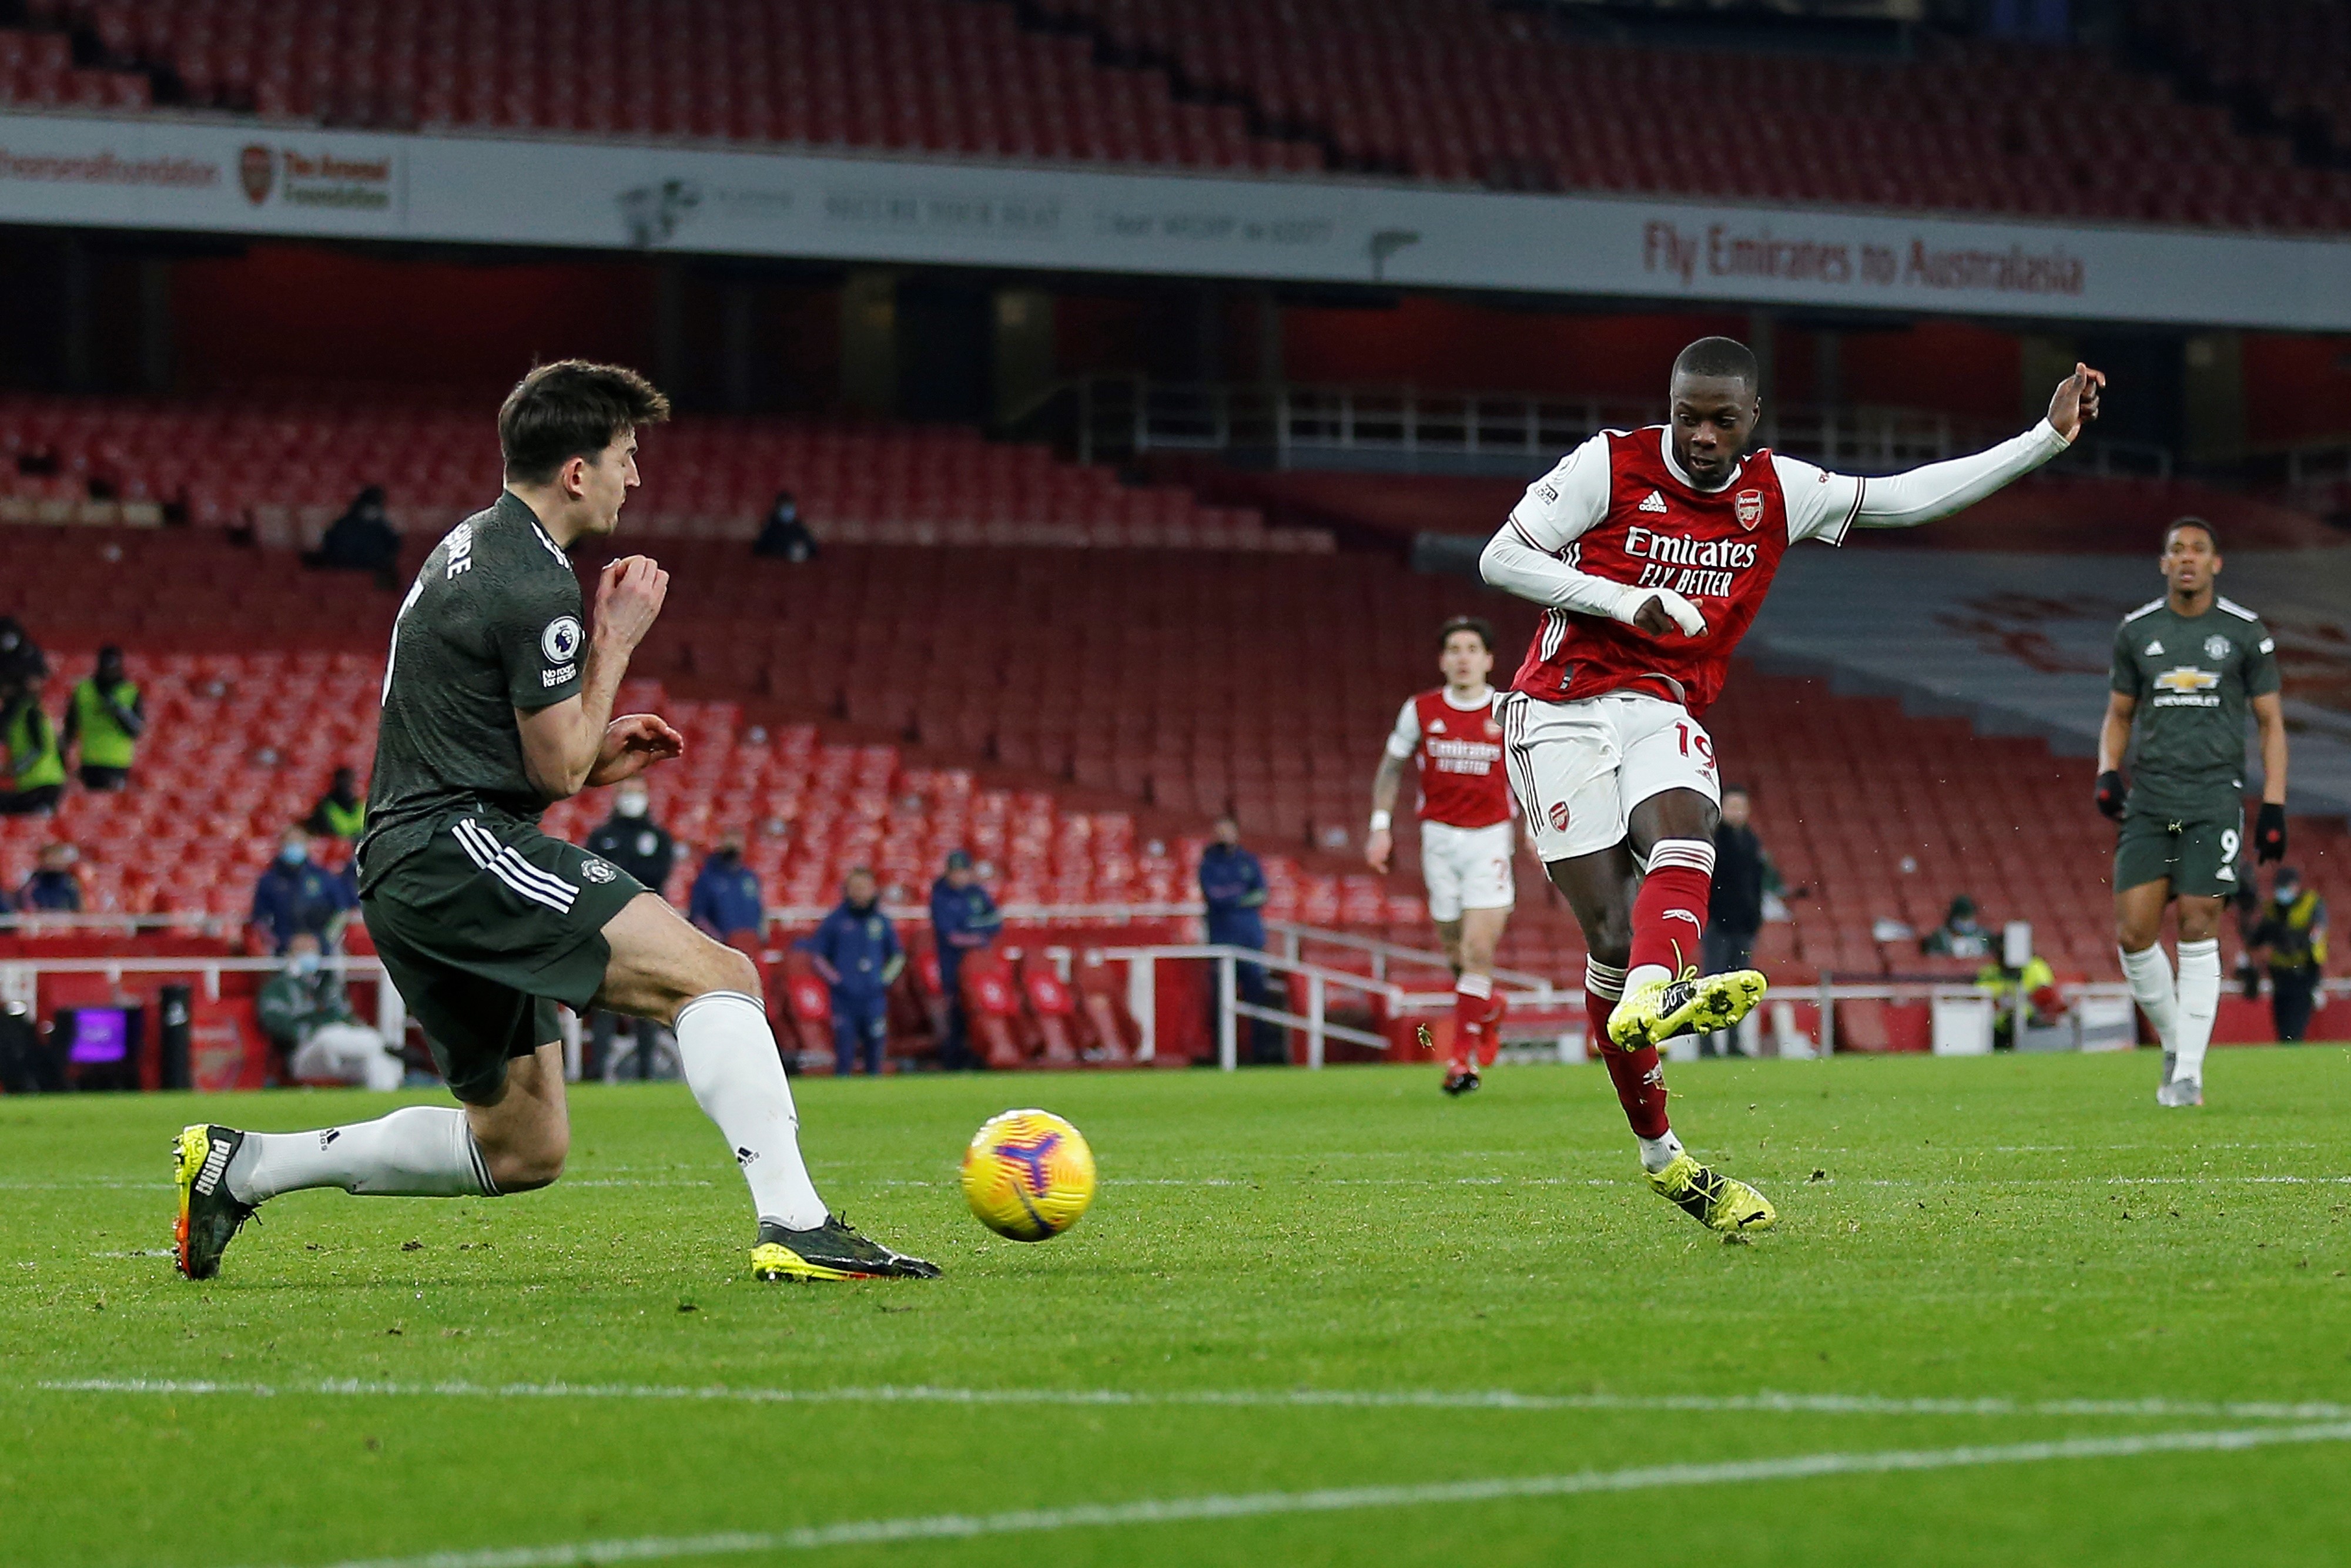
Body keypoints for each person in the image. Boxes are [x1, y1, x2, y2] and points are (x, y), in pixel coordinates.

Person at [170, 359, 935, 1285]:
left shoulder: (473, 546)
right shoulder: (534, 582)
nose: (636, 475)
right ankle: (796, 1221)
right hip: (453, 849)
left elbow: (527, 754)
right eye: (625, 454)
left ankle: (243, 1167)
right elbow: (558, 767)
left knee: (522, 1144)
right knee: (716, 974)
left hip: (418, 860)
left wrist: (589, 747)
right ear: (577, 472)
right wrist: (615, 639)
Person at [1479, 336, 2102, 1233]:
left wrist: (2043, 438)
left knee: (1689, 822)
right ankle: (1663, 1151)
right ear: (1671, 400)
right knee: (1611, 935)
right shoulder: (1607, 466)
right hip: (1559, 707)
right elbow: (1501, 559)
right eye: (1687, 414)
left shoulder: (1778, 491)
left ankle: (1660, 989)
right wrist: (1623, 601)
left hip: (1663, 701)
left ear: (1753, 417)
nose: (1700, 435)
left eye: (1721, 420)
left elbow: (1904, 499)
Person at [2097, 517, 2288, 1107]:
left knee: (2201, 922)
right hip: (2151, 796)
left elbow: (2269, 723)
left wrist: (2274, 802)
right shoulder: (2136, 632)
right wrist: (2107, 768)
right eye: (2176, 549)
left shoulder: (2243, 632)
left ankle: (2188, 1074)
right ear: (2163, 564)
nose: (2186, 558)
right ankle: (2178, 1043)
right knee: (2133, 933)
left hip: (2212, 797)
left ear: (2215, 563)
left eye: (2197, 550)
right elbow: (2120, 713)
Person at [1365, 615, 1515, 1095]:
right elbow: (1390, 769)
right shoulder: (1421, 708)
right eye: (1454, 649)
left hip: (1490, 838)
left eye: (1473, 648)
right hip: (1439, 839)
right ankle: (1487, 1008)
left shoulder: (1510, 709)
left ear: (1489, 659)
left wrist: (1537, 829)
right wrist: (1380, 827)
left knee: (1476, 951)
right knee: (1455, 953)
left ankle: (1460, 1060)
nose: (1463, 657)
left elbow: (1534, 773)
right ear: (1443, 660)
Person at [583, 780, 678, 1080]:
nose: (632, 800)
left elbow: (657, 875)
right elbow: (591, 875)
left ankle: (647, 1071)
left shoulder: (659, 837)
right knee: (605, 1000)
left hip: (648, 927)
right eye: (627, 793)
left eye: (637, 793)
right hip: (607, 926)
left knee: (647, 1000)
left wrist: (623, 868)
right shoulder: (602, 836)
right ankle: (598, 1070)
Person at [257, 932, 403, 1091]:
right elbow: (275, 1023)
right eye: (304, 951)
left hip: (343, 1050)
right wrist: (310, 1031)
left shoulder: (328, 985)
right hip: (304, 1052)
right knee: (328, 1038)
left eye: (313, 951)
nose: (310, 955)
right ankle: (386, 1046)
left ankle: (381, 1104)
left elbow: (347, 1016)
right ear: (291, 954)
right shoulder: (278, 987)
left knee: (379, 1063)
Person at [802, 866, 903, 1077]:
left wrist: (883, 980)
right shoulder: (835, 921)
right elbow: (818, 956)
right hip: (844, 998)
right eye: (856, 888)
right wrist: (837, 980)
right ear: (847, 891)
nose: (860, 893)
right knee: (845, 1048)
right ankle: (842, 1092)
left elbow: (897, 956)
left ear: (874, 890)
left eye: (865, 888)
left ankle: (875, 1094)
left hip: (873, 996)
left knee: (875, 1048)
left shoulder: (881, 921)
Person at [1702, 784, 1778, 1056]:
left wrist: (1755, 917)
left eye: (1741, 807)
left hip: (1744, 926)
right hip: (1717, 924)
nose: (1737, 812)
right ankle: (1707, 1046)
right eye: (1732, 806)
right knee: (1712, 986)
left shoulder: (1751, 841)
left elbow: (1757, 884)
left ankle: (1734, 1044)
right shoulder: (1713, 840)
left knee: (1738, 988)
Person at [1199, 813, 1281, 1065]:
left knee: (1257, 997)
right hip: (1223, 942)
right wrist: (1240, 896)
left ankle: (1260, 1055)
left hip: (1250, 940)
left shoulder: (1248, 861)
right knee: (1221, 1000)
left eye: (1228, 831)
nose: (1224, 836)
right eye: (1220, 831)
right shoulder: (1208, 864)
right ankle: (1222, 1054)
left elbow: (1262, 893)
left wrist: (1232, 898)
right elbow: (1214, 896)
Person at [929, 848, 1002, 1070]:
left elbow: (995, 922)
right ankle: (953, 1063)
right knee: (956, 1014)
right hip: (953, 966)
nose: (959, 877)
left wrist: (972, 929)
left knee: (979, 1013)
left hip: (978, 968)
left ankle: (980, 1057)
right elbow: (950, 935)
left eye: (962, 872)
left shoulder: (976, 893)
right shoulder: (940, 896)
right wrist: (977, 934)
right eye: (955, 872)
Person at [248, 827, 357, 955]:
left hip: (322, 951)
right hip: (283, 952)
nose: (294, 847)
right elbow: (260, 918)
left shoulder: (324, 878)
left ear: (307, 845)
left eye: (298, 842)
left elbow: (342, 911)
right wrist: (284, 942)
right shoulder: (269, 881)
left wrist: (322, 941)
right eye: (290, 843)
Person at [2249, 865, 2327, 1043]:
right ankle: (2287, 1044)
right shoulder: (2272, 908)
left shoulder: (2312, 903)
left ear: (2297, 886)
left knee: (2296, 1021)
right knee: (2282, 1018)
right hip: (2280, 971)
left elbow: (2317, 930)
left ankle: (2293, 1044)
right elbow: (2258, 936)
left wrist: (2298, 941)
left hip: (2305, 970)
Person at [62, 645, 143, 790]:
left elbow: (136, 729)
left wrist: (118, 710)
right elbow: (70, 725)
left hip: (116, 762)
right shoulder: (84, 690)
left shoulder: (129, 692)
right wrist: (64, 755)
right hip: (89, 760)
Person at [313, 484, 403, 587]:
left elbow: (393, 545)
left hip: (373, 568)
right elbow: (331, 546)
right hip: (343, 568)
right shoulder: (344, 525)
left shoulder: (381, 527)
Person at [0, 673, 64, 816]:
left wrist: (16, 768)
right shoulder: (23, 714)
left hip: (43, 784)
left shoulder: (29, 713)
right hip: (33, 784)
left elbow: (39, 748)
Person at [689, 830, 765, 947]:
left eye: (737, 842)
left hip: (750, 945)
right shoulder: (708, 878)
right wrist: (719, 941)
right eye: (730, 843)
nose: (734, 847)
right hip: (722, 947)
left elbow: (760, 911)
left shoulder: (749, 877)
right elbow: (699, 917)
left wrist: (760, 936)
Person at [303, 766, 369, 842]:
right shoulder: (325, 806)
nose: (349, 785)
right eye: (345, 781)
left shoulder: (361, 805)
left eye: (351, 781)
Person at [752, 490, 817, 562]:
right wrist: (784, 551)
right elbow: (759, 548)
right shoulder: (770, 527)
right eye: (785, 507)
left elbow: (813, 546)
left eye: (790, 507)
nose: (788, 511)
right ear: (778, 509)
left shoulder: (798, 526)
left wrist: (803, 548)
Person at [18, 841, 83, 913]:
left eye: (59, 857)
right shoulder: (34, 882)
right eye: (53, 857)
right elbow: (28, 907)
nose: (56, 861)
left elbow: (76, 908)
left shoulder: (69, 883)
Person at [1921, 896, 1993, 960]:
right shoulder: (1941, 936)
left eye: (1969, 917)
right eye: (1963, 918)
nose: (1967, 921)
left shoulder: (1983, 935)